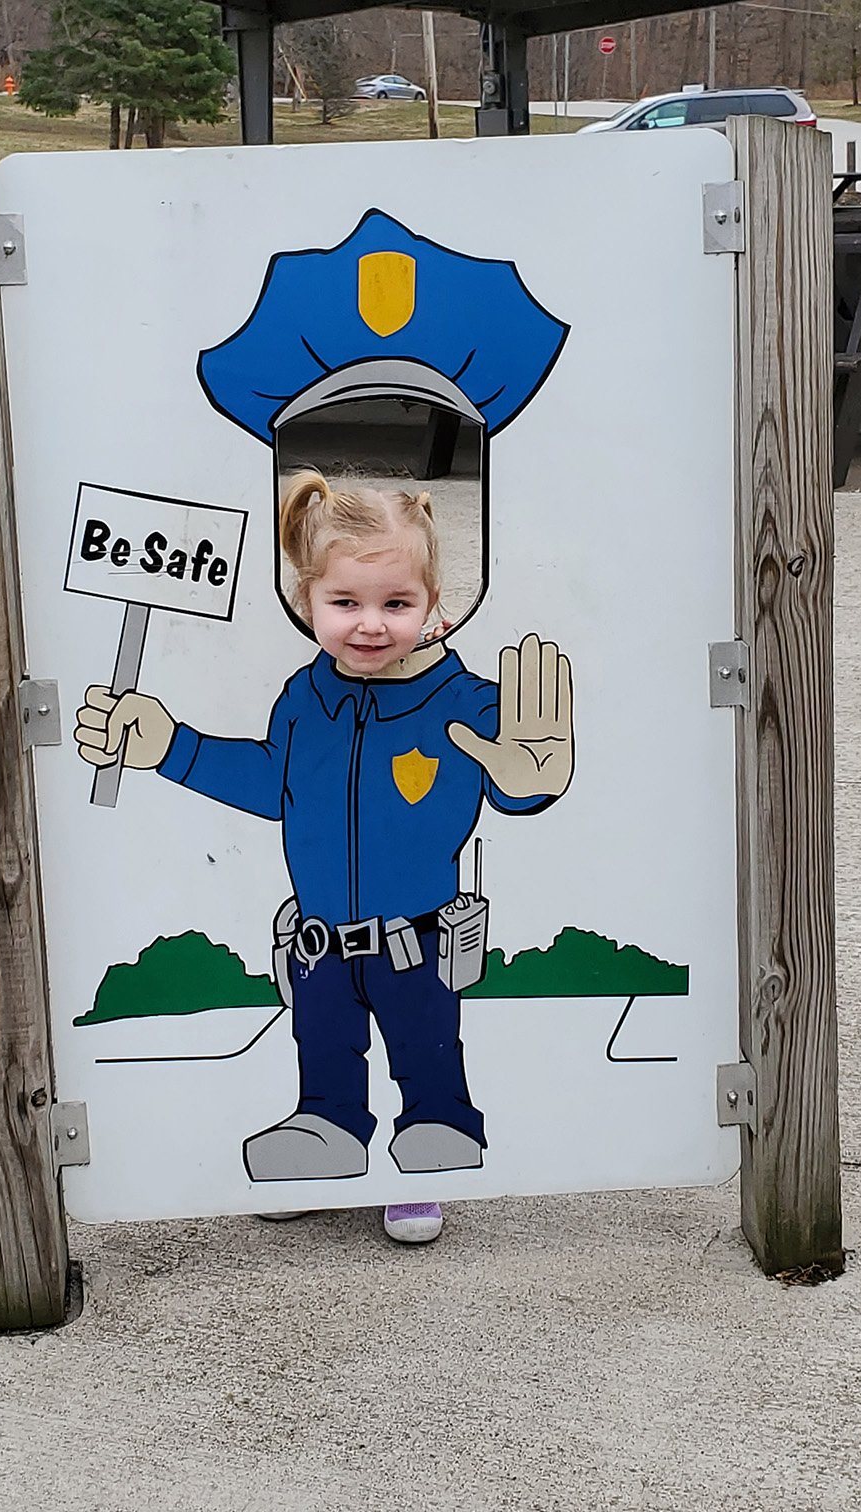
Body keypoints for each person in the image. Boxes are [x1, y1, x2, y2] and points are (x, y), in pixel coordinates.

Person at [76, 469, 573, 1245]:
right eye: (345, 603)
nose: (370, 624)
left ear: (434, 604)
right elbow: (272, 780)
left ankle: (428, 1159)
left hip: (418, 940)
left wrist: (534, 780)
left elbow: (515, 779)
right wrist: (171, 747)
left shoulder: (463, 701)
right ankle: (325, 1136)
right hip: (318, 945)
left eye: (396, 604)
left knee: (427, 1052)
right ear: (307, 602)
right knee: (324, 1051)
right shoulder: (305, 697)